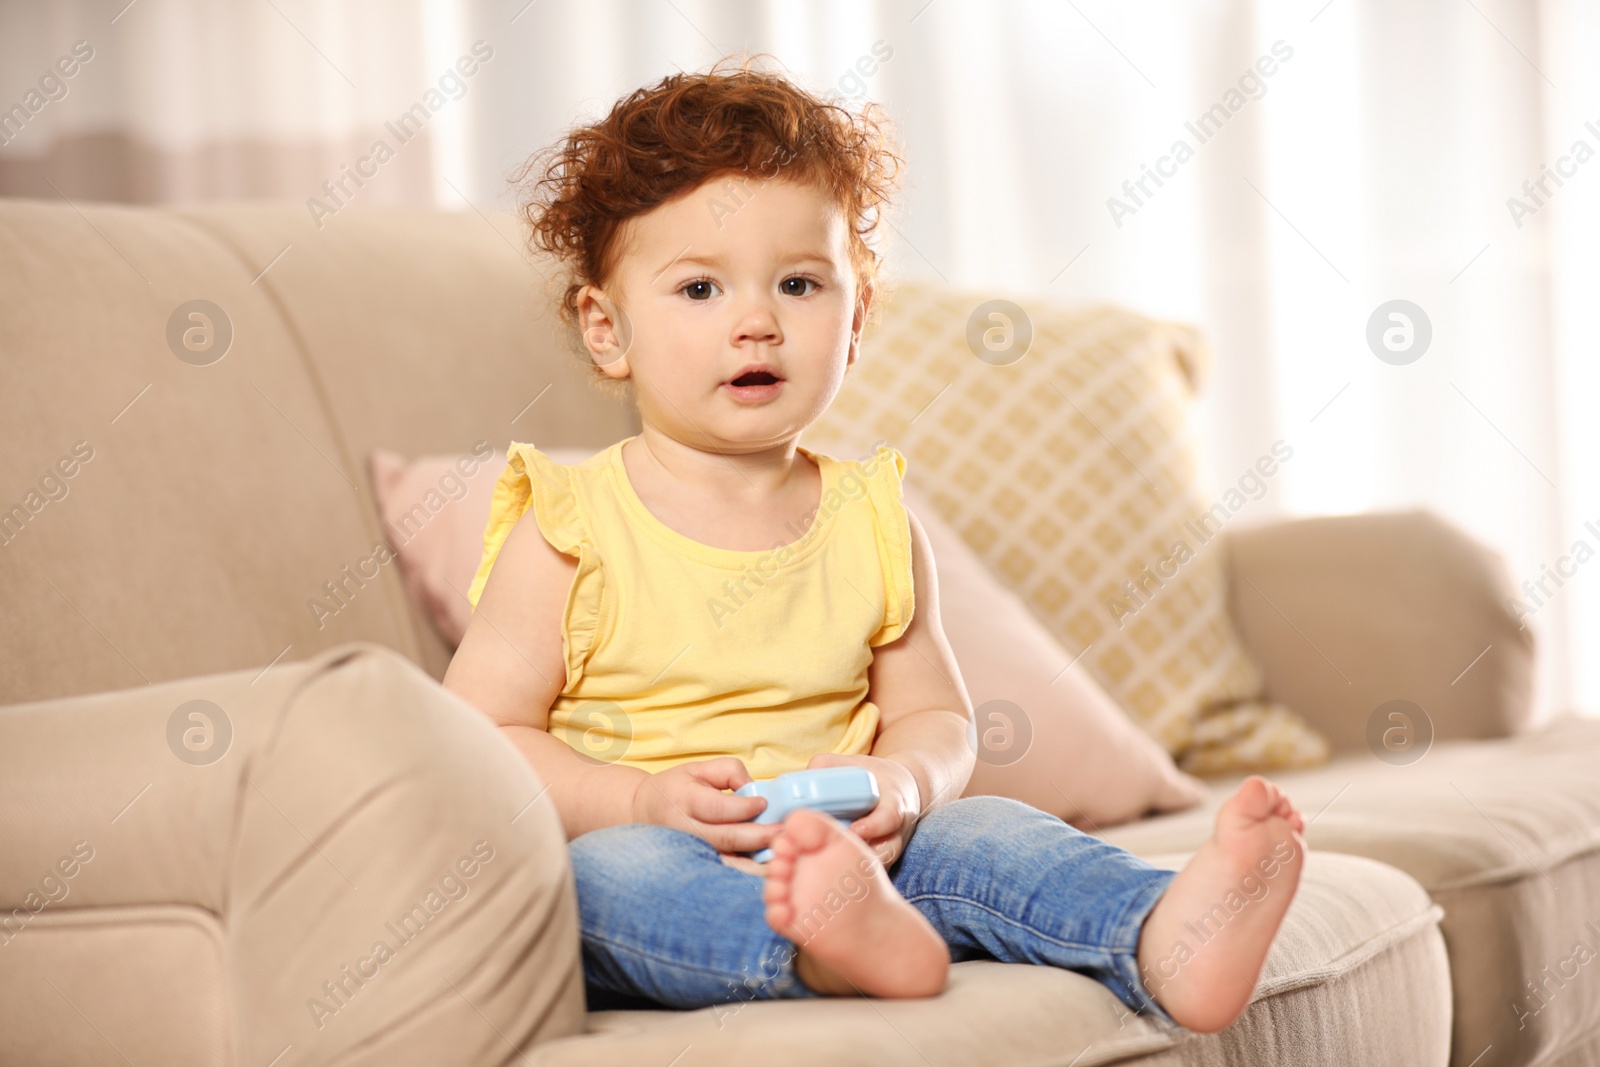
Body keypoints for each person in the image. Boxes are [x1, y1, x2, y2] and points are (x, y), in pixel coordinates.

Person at [442, 53, 1306, 1034]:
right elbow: (480, 740)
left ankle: (1159, 933)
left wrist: (905, 781)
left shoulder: (870, 516)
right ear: (607, 329)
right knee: (604, 881)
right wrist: (636, 800)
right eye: (699, 290)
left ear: (856, 323)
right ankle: (824, 950)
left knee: (988, 831)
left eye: (800, 284)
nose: (758, 322)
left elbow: (936, 714)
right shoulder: (568, 523)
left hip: (863, 847)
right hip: (657, 844)